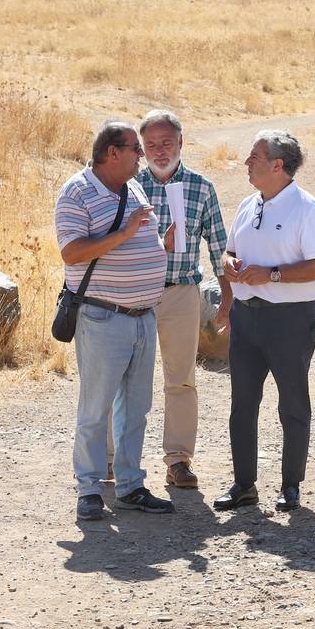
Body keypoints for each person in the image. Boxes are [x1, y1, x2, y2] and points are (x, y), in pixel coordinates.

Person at [55, 122, 174, 520]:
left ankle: (130, 486)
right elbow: (72, 252)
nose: (142, 156)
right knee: (96, 409)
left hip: (143, 316)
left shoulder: (133, 187)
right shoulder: (77, 192)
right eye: (135, 149)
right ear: (112, 153)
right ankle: (89, 490)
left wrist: (161, 245)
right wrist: (125, 234)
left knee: (136, 409)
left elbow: (139, 239)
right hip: (103, 317)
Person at [213, 131, 315, 513]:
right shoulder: (247, 205)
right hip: (246, 318)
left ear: (277, 165)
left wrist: (273, 275)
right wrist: (229, 264)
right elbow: (228, 253)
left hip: (290, 321)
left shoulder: (307, 208)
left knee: (293, 404)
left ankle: (291, 486)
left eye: (254, 157)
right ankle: (244, 485)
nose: (246, 163)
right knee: (242, 404)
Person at [112, 109, 231, 490]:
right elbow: (112, 244)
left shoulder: (201, 187)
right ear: (141, 149)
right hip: (135, 293)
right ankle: (112, 459)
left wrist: (228, 300)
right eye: (151, 145)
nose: (160, 151)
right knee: (124, 378)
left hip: (181, 292)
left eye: (166, 143)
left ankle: (178, 460)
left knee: (181, 380)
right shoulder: (127, 187)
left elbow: (219, 248)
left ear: (181, 142)